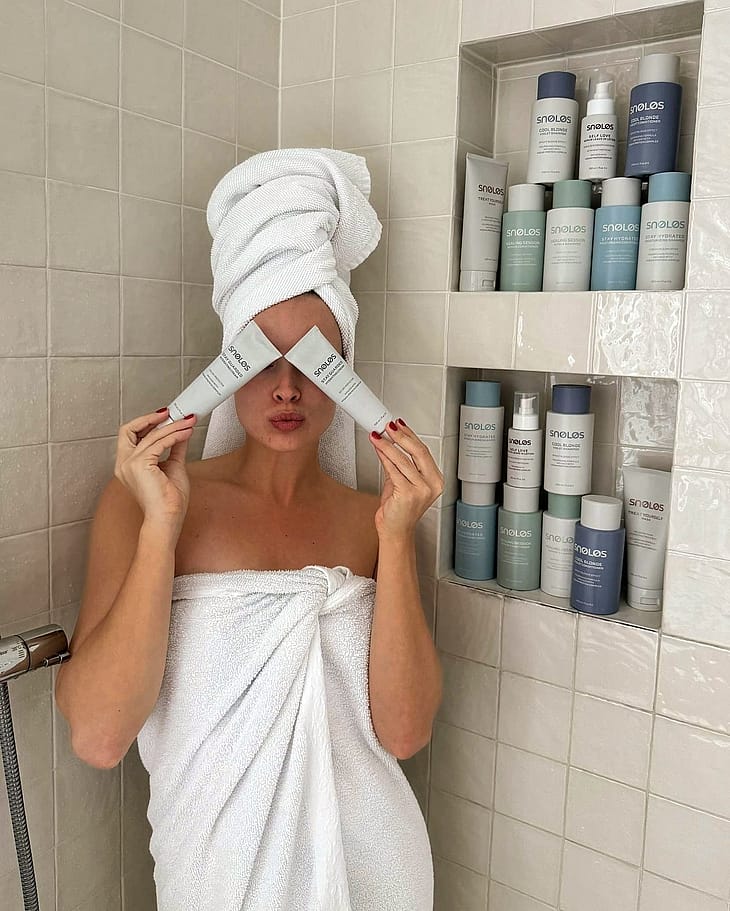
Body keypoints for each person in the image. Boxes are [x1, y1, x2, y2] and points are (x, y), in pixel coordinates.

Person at [55, 289, 443, 909]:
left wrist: (396, 537)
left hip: (372, 870)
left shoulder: (376, 519)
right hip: (218, 875)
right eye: (261, 360)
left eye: (314, 362)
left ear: (343, 375)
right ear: (227, 369)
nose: (287, 389)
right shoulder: (143, 501)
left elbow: (404, 734)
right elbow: (99, 739)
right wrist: (162, 527)